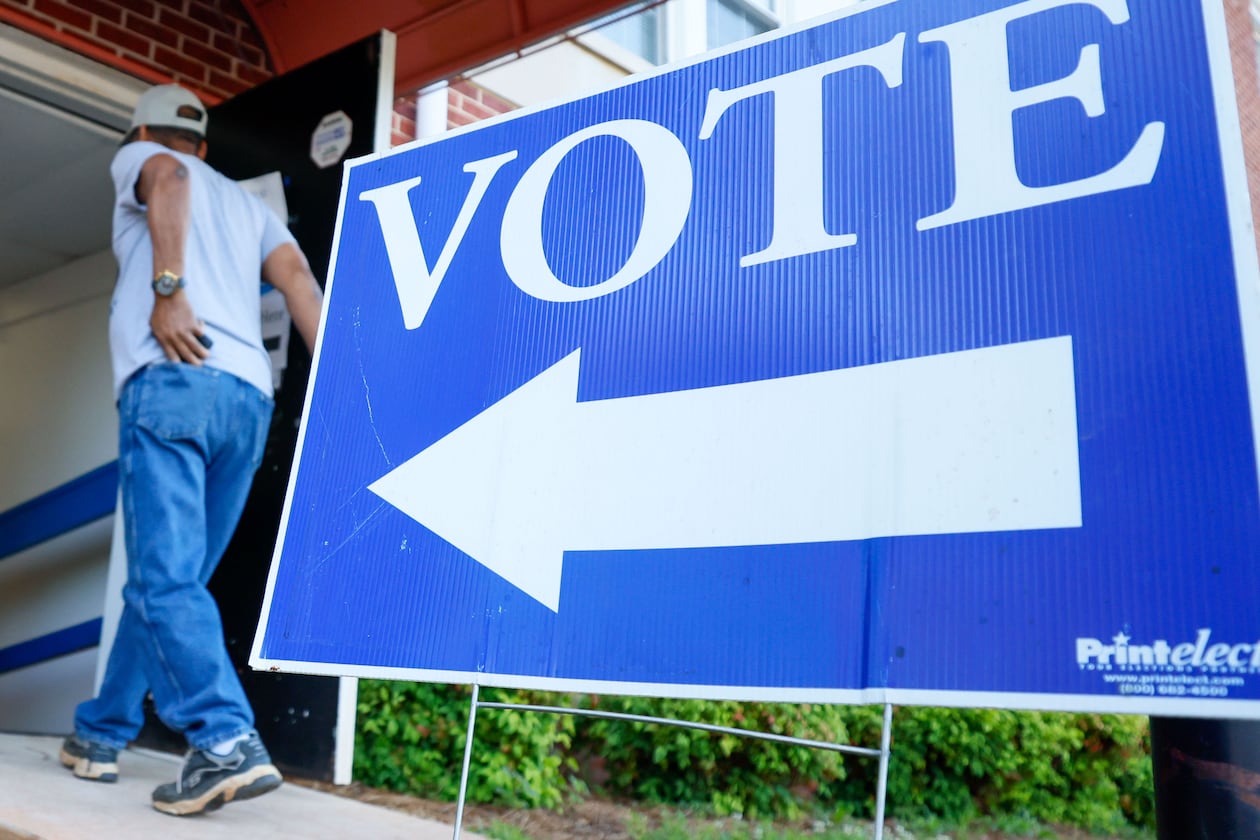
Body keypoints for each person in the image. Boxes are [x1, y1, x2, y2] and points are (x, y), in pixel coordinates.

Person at [58, 83, 324, 817]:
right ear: (204, 142)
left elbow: (168, 179)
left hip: (176, 380)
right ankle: (101, 735)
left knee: (162, 582)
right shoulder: (250, 206)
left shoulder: (147, 159)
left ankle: (225, 741)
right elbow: (298, 279)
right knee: (171, 586)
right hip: (246, 399)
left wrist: (168, 289)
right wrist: (334, 389)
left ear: (141, 133)